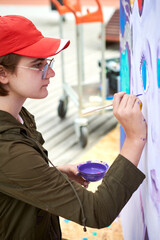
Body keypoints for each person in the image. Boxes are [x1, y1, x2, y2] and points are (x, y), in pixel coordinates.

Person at [0, 15, 147, 240]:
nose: (51, 73)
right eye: (38, 65)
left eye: (47, 63)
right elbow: (98, 211)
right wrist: (135, 137)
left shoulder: (17, 115)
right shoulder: (8, 149)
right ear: (2, 73)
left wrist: (51, 175)